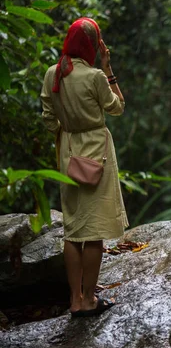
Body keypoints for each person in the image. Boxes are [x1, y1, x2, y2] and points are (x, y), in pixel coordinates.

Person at [40, 17, 127, 317]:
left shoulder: (53, 73)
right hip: (96, 153)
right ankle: (89, 299)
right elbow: (117, 107)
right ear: (93, 45)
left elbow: (48, 117)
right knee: (94, 230)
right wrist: (108, 67)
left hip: (68, 154)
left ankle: (74, 298)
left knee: (73, 229)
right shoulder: (94, 76)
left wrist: (67, 132)